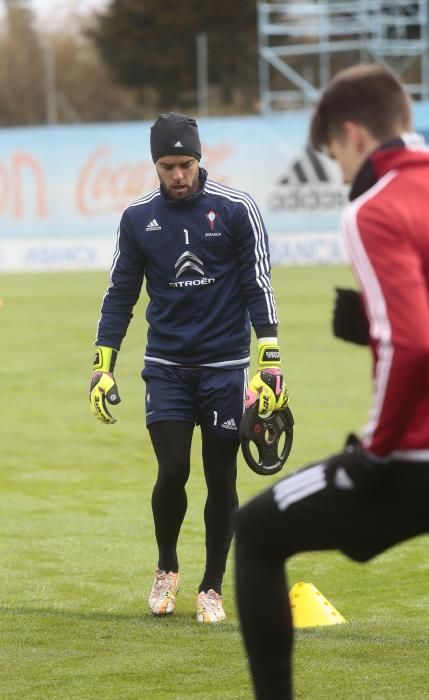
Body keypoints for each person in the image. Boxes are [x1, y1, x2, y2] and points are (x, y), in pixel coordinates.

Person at [234, 64, 429, 698]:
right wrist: (372, 325)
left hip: (420, 460)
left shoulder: (374, 208)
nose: (339, 171)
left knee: (254, 532)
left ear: (353, 134)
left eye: (334, 155)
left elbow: (413, 343)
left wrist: (375, 451)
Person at [89, 112, 288, 624]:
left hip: (225, 367)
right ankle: (167, 568)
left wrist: (269, 355)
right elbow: (120, 294)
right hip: (167, 367)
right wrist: (103, 362)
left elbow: (257, 282)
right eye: (167, 165)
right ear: (154, 164)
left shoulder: (236, 208)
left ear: (200, 159)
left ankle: (212, 587)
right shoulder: (138, 218)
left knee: (220, 476)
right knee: (172, 469)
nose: (177, 174)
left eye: (186, 164)